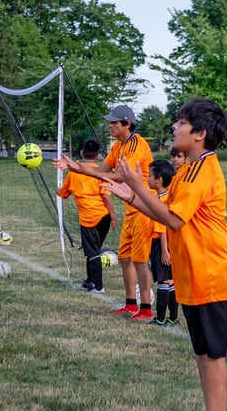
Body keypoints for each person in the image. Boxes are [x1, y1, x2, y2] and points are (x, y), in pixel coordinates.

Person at [102, 97, 227, 411]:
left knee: (213, 353)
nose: (175, 127)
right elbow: (166, 211)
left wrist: (138, 184)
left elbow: (174, 220)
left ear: (200, 134)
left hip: (211, 272)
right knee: (203, 351)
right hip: (195, 272)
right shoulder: (188, 170)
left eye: (181, 122)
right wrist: (134, 197)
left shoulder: (199, 171)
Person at [54, 105, 155, 321]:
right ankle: (130, 304)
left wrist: (80, 169)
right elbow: (101, 171)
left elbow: (121, 177)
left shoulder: (136, 145)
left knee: (139, 261)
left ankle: (145, 307)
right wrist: (76, 167)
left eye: (114, 122)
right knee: (126, 258)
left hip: (144, 209)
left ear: (127, 124)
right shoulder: (118, 146)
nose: (110, 125)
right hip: (131, 209)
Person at [56, 139, 118, 294]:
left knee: (93, 252)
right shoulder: (100, 173)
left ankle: (98, 287)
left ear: (82, 153)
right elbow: (106, 197)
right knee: (93, 250)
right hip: (104, 217)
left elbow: (63, 194)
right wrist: (114, 216)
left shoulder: (74, 173)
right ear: (98, 156)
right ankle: (90, 280)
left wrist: (58, 190)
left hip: (89, 220)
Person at [146, 159, 178, 326]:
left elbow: (163, 227)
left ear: (159, 179)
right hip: (168, 243)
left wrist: (164, 251)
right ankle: (173, 317)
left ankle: (160, 319)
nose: (147, 178)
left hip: (162, 244)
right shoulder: (166, 195)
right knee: (170, 281)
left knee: (163, 282)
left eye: (150, 175)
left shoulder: (162, 201)